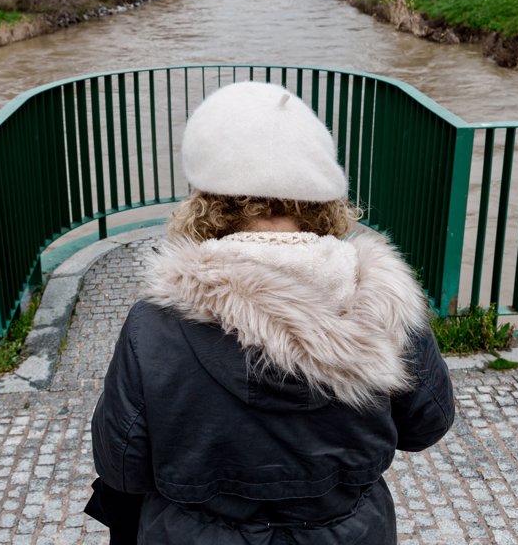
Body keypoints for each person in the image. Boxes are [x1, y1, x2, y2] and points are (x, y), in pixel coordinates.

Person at [88, 81, 455, 544]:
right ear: (325, 199)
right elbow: (426, 426)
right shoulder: (382, 302)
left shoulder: (156, 323)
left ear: (205, 200)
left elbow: (122, 465)